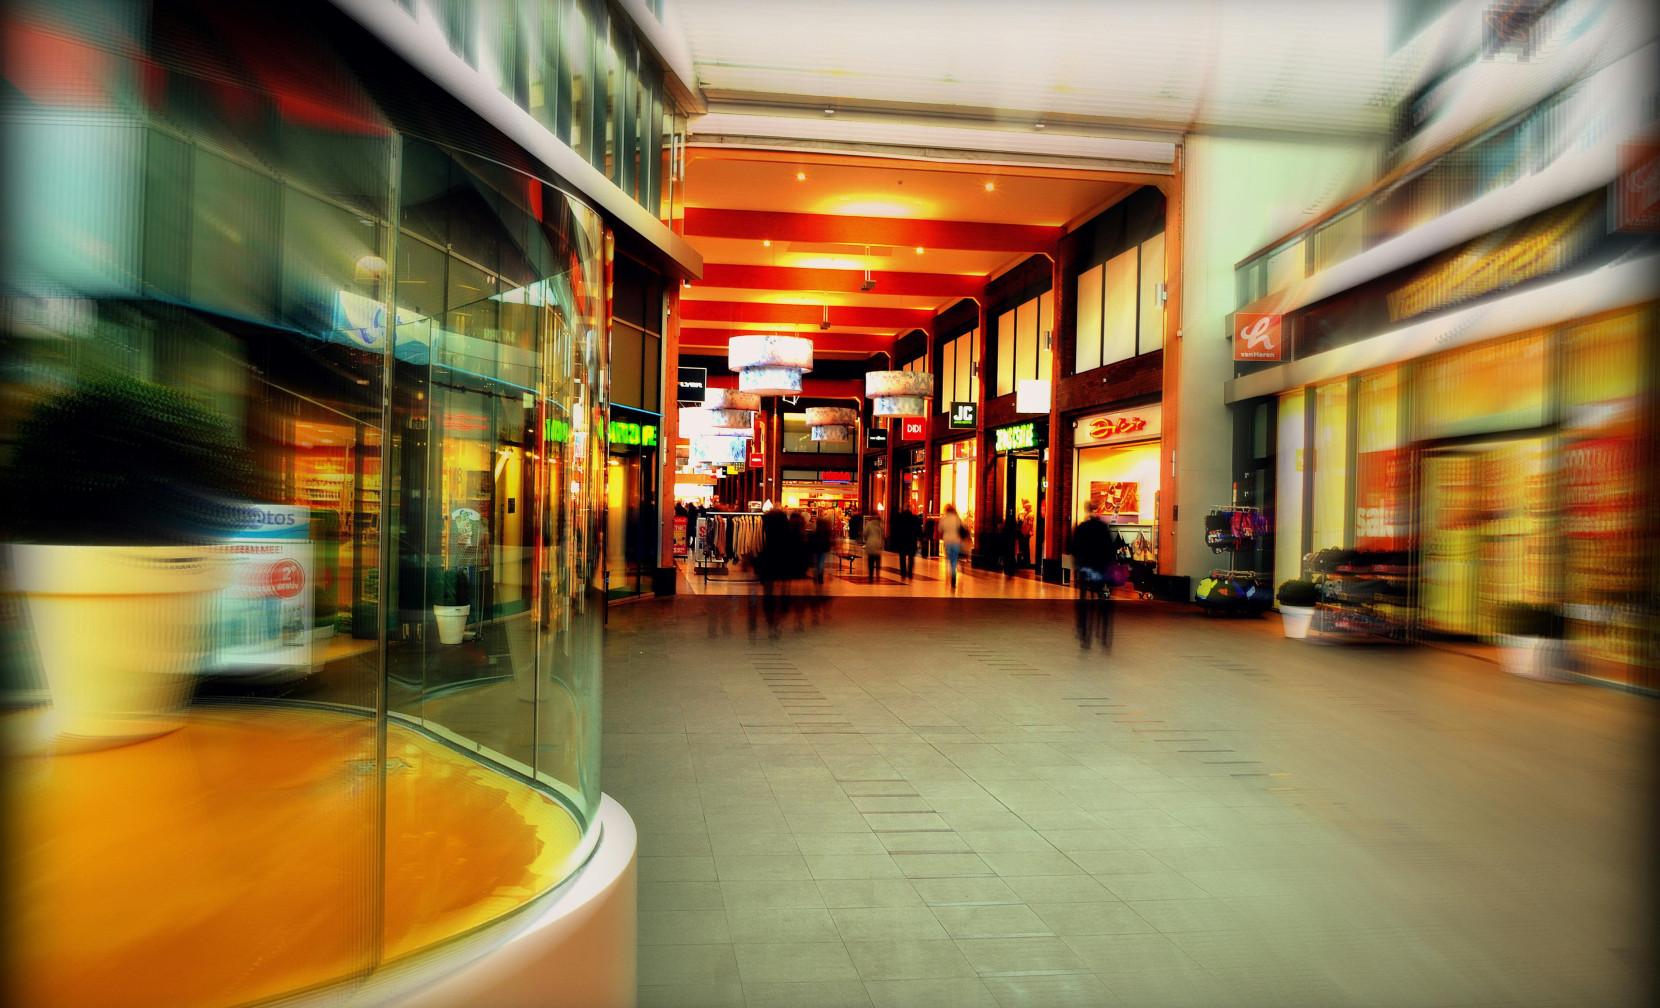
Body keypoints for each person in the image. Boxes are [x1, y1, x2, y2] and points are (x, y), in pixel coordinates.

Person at [1069, 500, 1125, 650]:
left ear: (1086, 511)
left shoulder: (1082, 527)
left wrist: (1079, 563)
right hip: (1100, 568)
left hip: (1086, 568)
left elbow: (1074, 548)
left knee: (1084, 600)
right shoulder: (1103, 527)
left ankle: (1084, 632)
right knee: (1101, 596)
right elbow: (1110, 549)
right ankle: (1103, 633)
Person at [938, 504, 968, 589]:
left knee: (948, 558)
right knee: (954, 560)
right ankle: (953, 576)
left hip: (947, 541)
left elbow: (940, 529)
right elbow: (963, 528)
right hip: (956, 541)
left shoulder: (944, 519)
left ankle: (948, 573)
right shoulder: (957, 519)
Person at [891, 505, 920, 581]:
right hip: (912, 541)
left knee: (902, 557)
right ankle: (910, 573)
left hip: (902, 541)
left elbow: (895, 530)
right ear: (910, 509)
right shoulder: (915, 518)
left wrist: (894, 540)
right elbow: (918, 530)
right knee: (911, 558)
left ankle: (903, 573)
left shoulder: (899, 518)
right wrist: (921, 537)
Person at [809, 510, 834, 585]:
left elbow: (812, 537)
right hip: (823, 548)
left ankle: (815, 575)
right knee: (821, 562)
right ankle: (820, 576)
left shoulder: (816, 529)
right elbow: (829, 539)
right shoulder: (826, 531)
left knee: (816, 562)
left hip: (816, 547)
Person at [861, 512, 886, 581]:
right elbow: (883, 534)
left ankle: (871, 575)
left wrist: (866, 539)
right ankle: (878, 574)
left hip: (870, 543)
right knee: (878, 559)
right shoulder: (880, 524)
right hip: (878, 543)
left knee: (870, 560)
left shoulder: (869, 524)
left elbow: (865, 533)